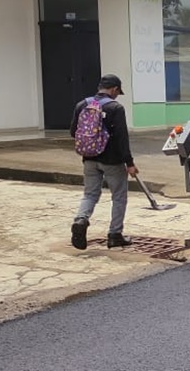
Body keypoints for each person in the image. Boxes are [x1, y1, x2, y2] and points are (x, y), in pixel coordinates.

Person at [70, 74, 138, 250]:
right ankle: (115, 235)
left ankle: (81, 220)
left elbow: (73, 132)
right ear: (114, 89)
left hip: (89, 158)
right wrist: (129, 163)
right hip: (113, 161)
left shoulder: (82, 104)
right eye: (118, 92)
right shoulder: (116, 108)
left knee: (90, 194)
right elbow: (122, 138)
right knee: (119, 197)